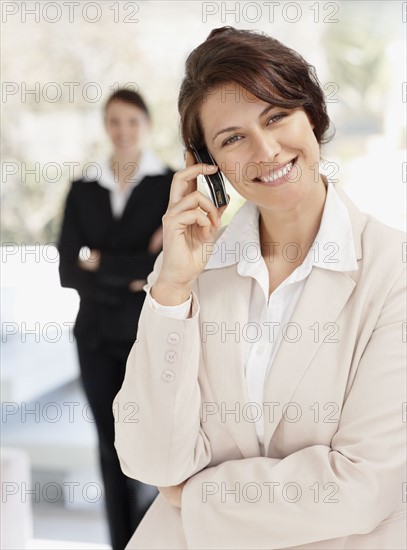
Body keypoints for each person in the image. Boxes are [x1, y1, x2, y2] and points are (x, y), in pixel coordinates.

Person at [114, 27, 406, 550]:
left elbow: (363, 487)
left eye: (276, 117)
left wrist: (194, 496)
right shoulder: (187, 271)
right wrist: (174, 287)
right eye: (232, 138)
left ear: (311, 116)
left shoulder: (393, 271)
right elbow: (152, 459)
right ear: (207, 164)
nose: (266, 149)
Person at [57, 88, 174, 550]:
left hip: (147, 337)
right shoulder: (83, 189)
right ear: (105, 126)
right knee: (109, 447)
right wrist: (131, 268)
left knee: (150, 448)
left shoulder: (170, 183)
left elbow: (164, 267)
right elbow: (68, 269)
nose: (122, 131)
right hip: (94, 341)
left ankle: (153, 539)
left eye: (132, 121)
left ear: (146, 125)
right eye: (114, 121)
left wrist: (101, 263)